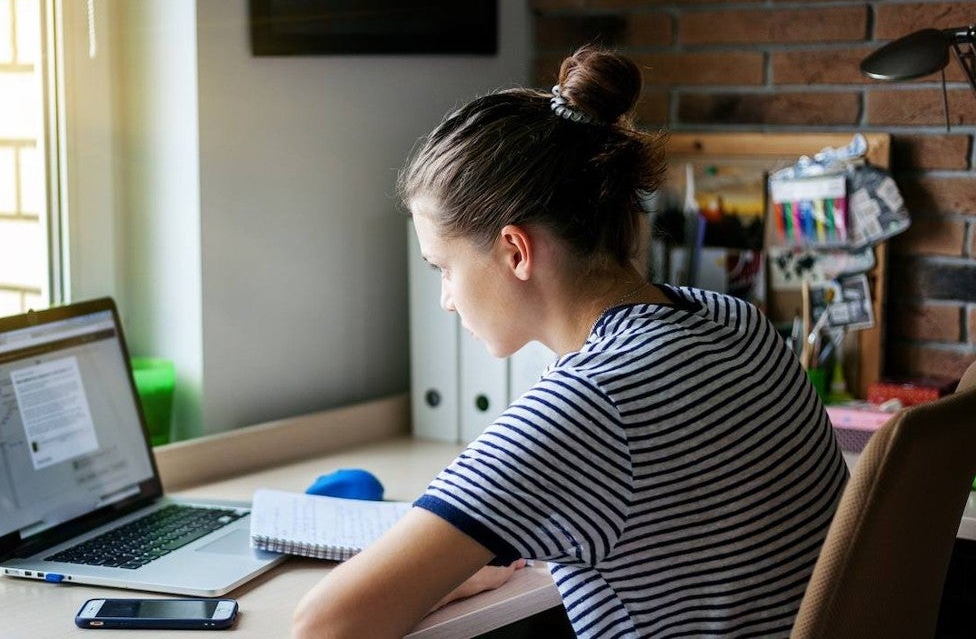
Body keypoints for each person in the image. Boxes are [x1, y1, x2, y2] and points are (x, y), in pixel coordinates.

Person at [292, 46, 848, 638]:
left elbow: (324, 626)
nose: (446, 299)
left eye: (443, 268)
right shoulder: (738, 322)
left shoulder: (588, 405)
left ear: (515, 251)